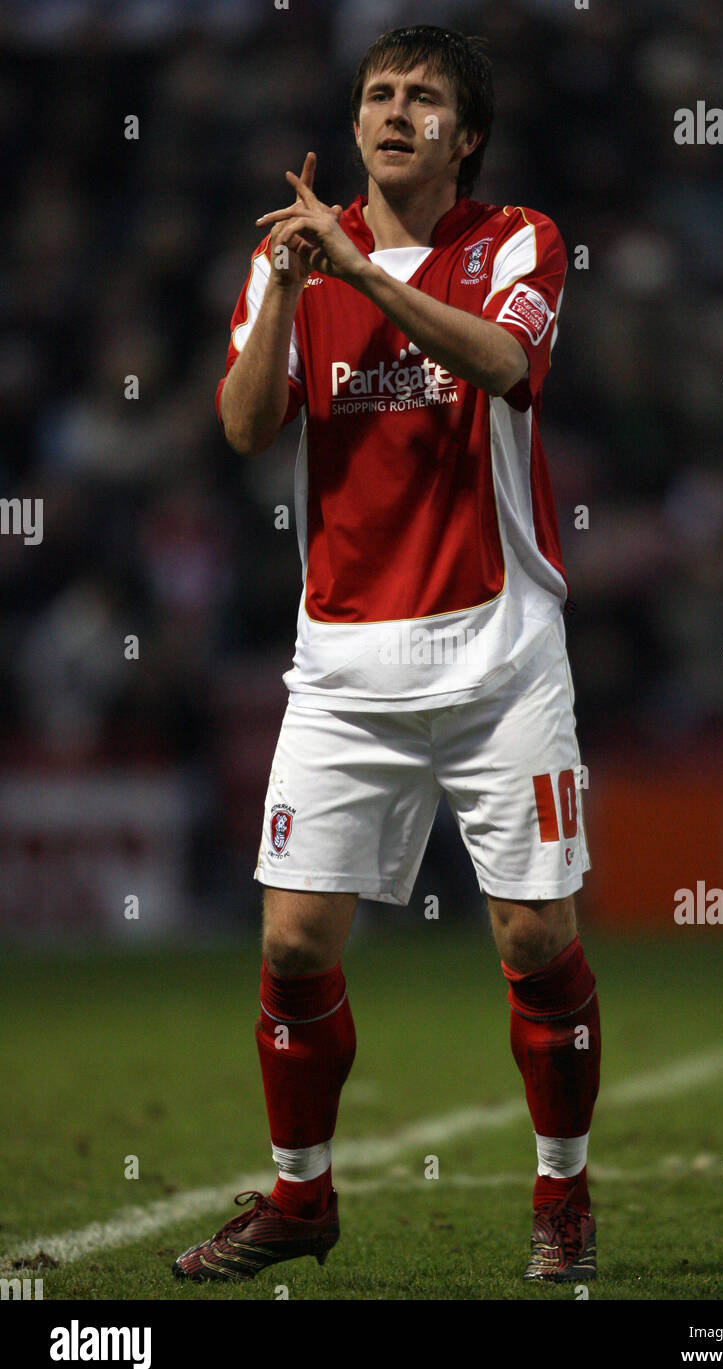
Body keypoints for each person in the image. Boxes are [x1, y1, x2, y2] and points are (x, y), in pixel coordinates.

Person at [173, 24, 600, 1287]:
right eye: (376, 93)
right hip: (345, 668)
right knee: (294, 945)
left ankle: (561, 1195)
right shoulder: (287, 259)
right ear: (353, 121)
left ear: (464, 134)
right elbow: (246, 426)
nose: (393, 110)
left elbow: (504, 362)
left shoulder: (518, 241)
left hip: (499, 656)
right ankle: (300, 1201)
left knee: (532, 940)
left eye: (422, 97)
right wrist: (297, 287)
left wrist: (361, 272)